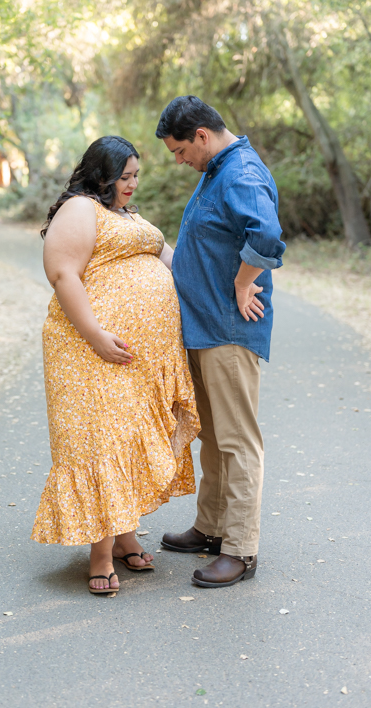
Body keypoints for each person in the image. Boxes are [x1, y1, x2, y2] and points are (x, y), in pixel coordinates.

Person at [31, 135, 200, 595]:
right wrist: (96, 335)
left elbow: (176, 263)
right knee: (102, 444)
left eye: (136, 176)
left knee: (127, 440)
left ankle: (124, 535)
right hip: (88, 351)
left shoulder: (128, 217)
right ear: (100, 175)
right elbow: (63, 272)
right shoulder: (81, 208)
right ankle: (100, 556)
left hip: (136, 361)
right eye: (125, 176)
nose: (132, 184)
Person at [155, 95, 285, 588]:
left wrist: (242, 282)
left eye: (180, 151)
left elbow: (267, 236)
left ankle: (241, 549)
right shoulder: (217, 169)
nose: (180, 160)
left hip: (229, 330)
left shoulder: (240, 172)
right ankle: (211, 526)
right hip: (204, 329)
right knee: (213, 435)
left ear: (202, 137)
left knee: (237, 441)